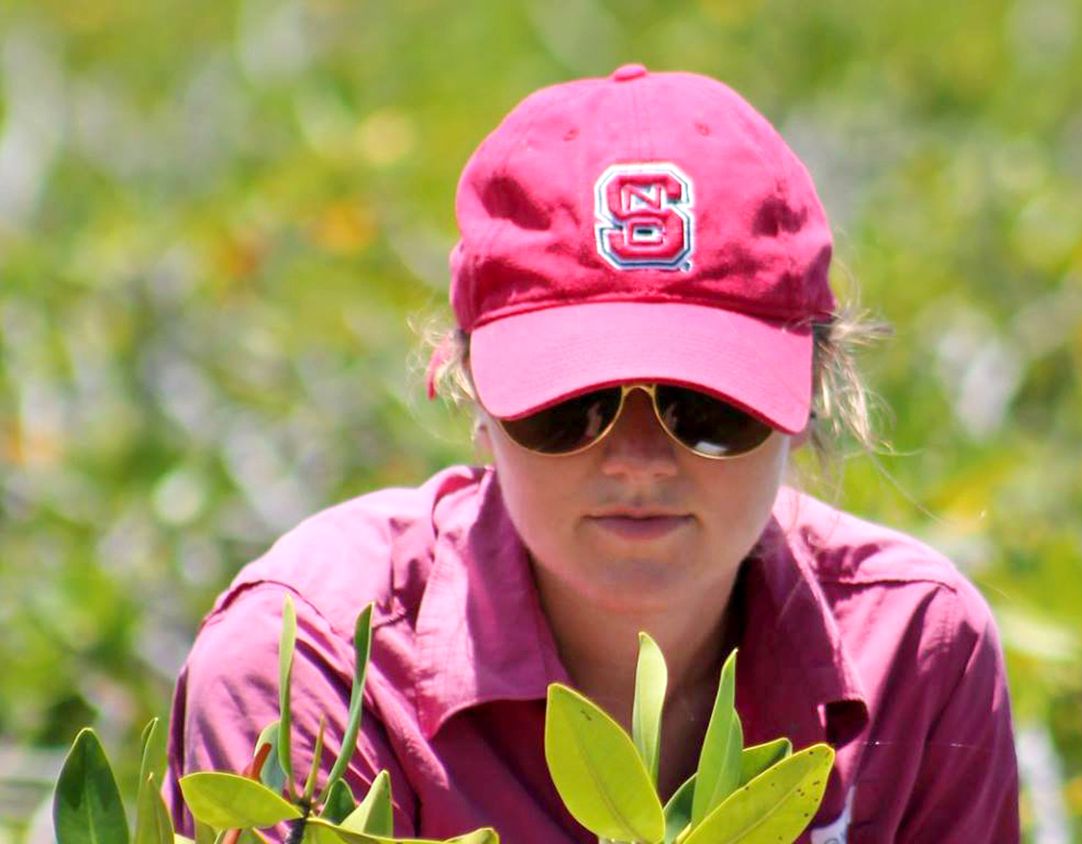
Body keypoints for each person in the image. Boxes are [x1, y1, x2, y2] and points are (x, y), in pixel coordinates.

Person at [167, 64, 1020, 842]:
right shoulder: (316, 662)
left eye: (707, 407)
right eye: (573, 406)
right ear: (474, 396)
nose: (639, 461)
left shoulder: (919, 651)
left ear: (810, 395)